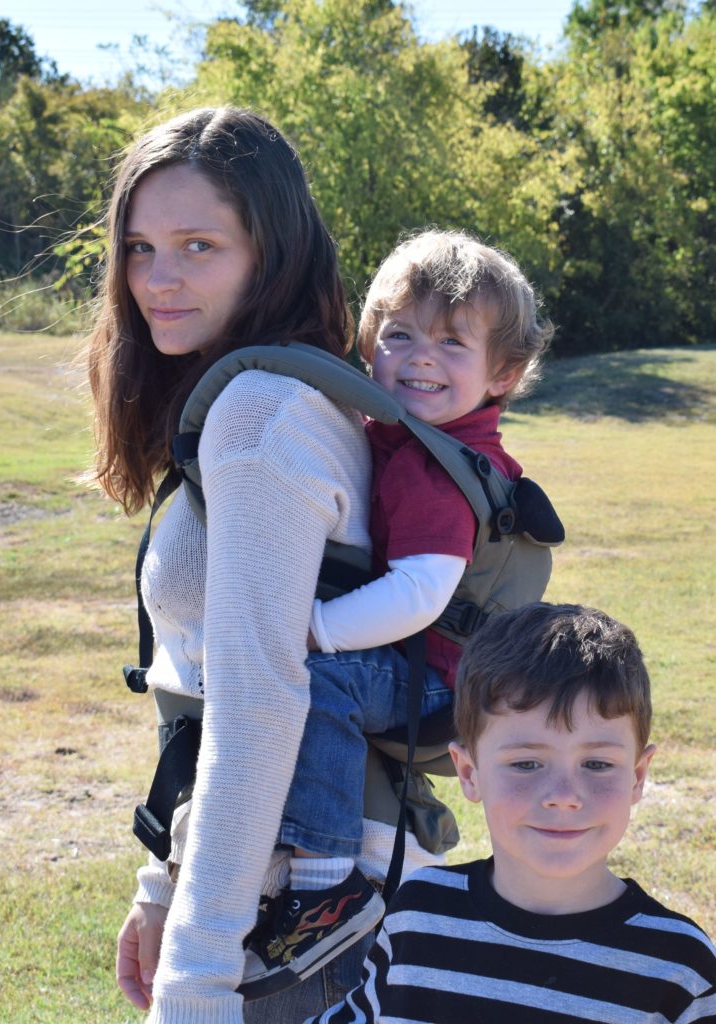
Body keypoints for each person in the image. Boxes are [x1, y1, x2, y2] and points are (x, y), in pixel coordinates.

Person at [85, 106, 439, 1024]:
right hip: (308, 879)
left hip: (299, 914)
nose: (158, 279)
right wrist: (160, 882)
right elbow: (206, 678)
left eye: (198, 245)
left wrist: (195, 986)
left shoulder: (257, 417)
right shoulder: (296, 388)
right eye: (138, 247)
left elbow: (255, 707)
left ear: (269, 253)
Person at [243, 229, 554, 993]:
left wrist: (313, 630)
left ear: (503, 373)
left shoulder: (429, 469)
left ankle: (321, 884)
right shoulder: (409, 436)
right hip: (428, 666)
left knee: (321, 682)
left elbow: (420, 592)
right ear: (366, 342)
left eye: (452, 343)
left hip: (436, 681)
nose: (419, 355)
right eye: (399, 333)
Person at [302, 602, 716, 1024]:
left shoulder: (681, 969)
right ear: (469, 772)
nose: (563, 796)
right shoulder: (421, 915)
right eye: (526, 764)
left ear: (637, 775)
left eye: (597, 764)